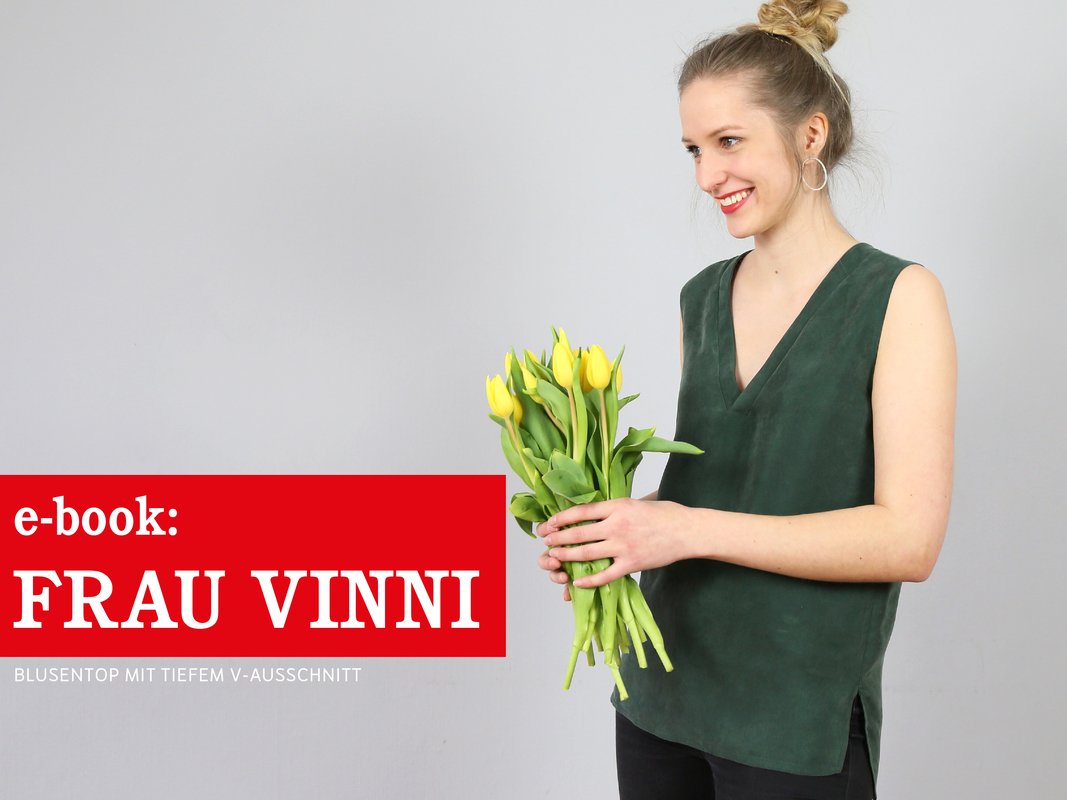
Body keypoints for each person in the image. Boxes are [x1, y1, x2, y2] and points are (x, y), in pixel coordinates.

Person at [534, 1, 957, 798]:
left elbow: (909, 539)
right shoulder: (700, 298)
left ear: (810, 135)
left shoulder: (898, 297)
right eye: (693, 149)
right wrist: (615, 531)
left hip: (791, 717)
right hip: (658, 692)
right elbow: (724, 489)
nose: (706, 176)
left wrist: (679, 528)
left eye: (729, 141)